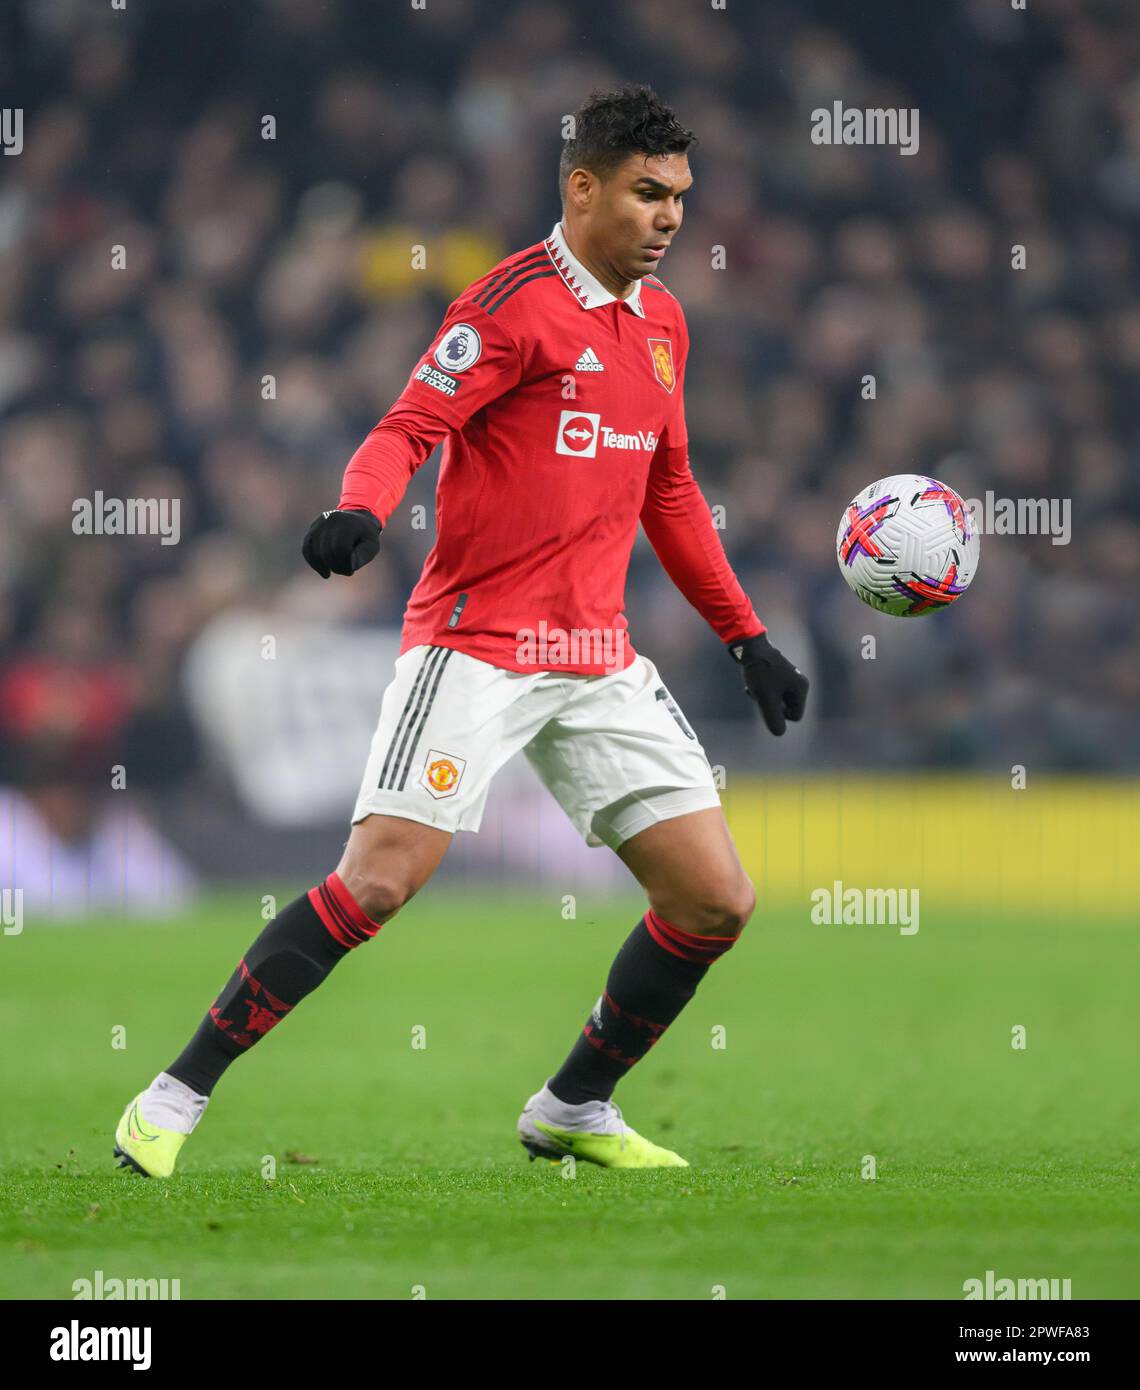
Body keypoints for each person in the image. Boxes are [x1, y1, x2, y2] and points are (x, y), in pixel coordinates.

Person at [113, 84, 808, 1177]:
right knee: (378, 882)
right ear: (582, 188)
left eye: (680, 196)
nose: (671, 218)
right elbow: (408, 425)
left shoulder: (663, 324)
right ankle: (173, 1092)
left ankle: (573, 1106)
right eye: (647, 193)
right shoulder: (508, 305)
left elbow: (669, 489)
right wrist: (360, 509)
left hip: (597, 655)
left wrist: (744, 635)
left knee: (716, 898)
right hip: (476, 643)